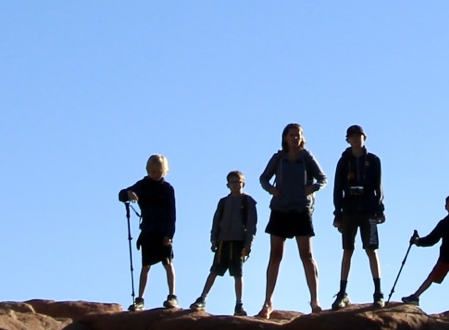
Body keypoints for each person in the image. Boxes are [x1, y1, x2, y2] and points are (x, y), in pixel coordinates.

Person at [258, 123, 326, 315]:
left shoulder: (306, 157)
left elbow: (322, 178)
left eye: (298, 135)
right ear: (285, 138)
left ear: (302, 137)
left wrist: (311, 188)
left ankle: (314, 301)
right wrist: (272, 190)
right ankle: (267, 302)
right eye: (291, 135)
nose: (295, 138)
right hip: (280, 210)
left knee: (307, 255)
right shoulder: (279, 157)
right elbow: (263, 178)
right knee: (275, 255)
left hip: (301, 210)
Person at [189, 169, 258, 316]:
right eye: (232, 182)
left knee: (237, 273)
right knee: (214, 270)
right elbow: (216, 220)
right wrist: (214, 238)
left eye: (238, 182)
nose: (235, 185)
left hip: (238, 241)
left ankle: (239, 304)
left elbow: (252, 224)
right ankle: (202, 298)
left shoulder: (248, 201)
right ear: (228, 185)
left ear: (243, 183)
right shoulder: (223, 202)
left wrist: (248, 244)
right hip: (223, 241)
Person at [331, 123, 385, 308]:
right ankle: (342, 293)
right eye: (352, 136)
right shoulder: (343, 162)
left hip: (368, 209)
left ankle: (378, 293)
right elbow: (337, 188)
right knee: (347, 250)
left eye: (358, 135)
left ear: (364, 138)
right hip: (349, 209)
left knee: (371, 249)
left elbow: (379, 186)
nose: (355, 139)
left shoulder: (373, 160)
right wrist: (338, 213)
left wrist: (380, 209)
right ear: (347, 139)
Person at [117, 154, 177, 311]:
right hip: (148, 231)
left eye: (158, 172)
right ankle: (140, 299)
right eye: (152, 172)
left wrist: (169, 234)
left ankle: (172, 296)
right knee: (145, 265)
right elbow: (122, 195)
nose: (155, 174)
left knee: (168, 263)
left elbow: (172, 214)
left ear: (164, 171)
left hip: (162, 231)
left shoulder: (167, 189)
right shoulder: (143, 185)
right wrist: (128, 194)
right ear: (148, 170)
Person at [401, 194, 449, 311]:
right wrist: (418, 242)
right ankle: (416, 296)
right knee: (432, 277)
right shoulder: (444, 224)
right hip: (446, 257)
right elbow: (432, 239)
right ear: (446, 207)